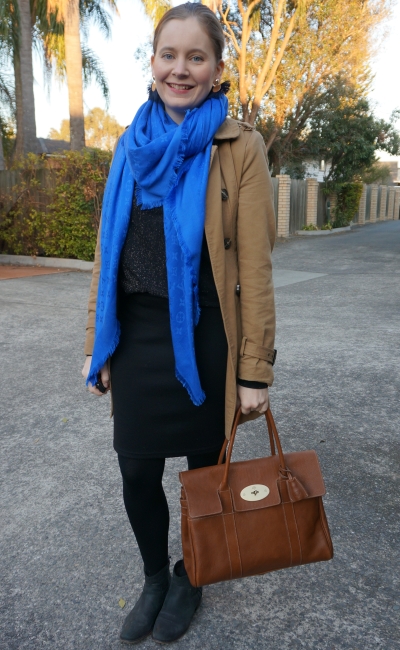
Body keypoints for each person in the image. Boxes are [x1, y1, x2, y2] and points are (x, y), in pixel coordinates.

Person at [82, 2, 276, 644]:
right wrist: (97, 346)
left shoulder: (239, 147)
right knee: (136, 467)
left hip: (206, 334)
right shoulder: (130, 146)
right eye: (170, 54)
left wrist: (254, 372)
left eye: (197, 57)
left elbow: (256, 266)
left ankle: (191, 574)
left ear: (217, 68)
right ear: (154, 62)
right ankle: (154, 577)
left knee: (202, 472)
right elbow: (106, 256)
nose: (181, 69)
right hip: (136, 333)